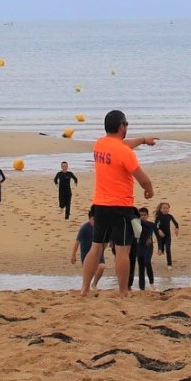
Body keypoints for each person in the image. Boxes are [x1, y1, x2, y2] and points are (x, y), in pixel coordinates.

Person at [80, 109, 156, 297]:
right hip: (121, 207)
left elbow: (122, 146)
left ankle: (84, 289)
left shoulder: (99, 144)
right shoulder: (124, 152)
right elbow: (142, 178)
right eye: (126, 125)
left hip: (100, 205)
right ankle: (123, 292)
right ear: (122, 127)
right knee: (123, 250)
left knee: (96, 247)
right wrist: (149, 188)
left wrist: (143, 140)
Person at [71, 209, 105, 290]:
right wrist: (73, 255)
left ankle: (94, 284)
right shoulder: (84, 229)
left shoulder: (100, 227)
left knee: (102, 266)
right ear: (89, 219)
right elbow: (77, 242)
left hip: (98, 253)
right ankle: (86, 286)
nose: (96, 221)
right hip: (86, 254)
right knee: (89, 272)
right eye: (94, 219)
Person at [131, 207, 156, 291]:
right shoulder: (136, 225)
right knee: (141, 268)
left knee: (147, 262)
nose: (143, 216)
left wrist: (160, 247)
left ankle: (152, 283)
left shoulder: (151, 224)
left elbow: (158, 236)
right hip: (139, 247)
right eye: (141, 215)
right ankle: (142, 288)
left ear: (147, 215)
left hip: (149, 247)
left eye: (144, 215)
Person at [154, 202, 181, 268]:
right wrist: (159, 230)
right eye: (164, 208)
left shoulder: (170, 216)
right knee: (161, 246)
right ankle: (160, 249)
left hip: (168, 235)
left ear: (169, 209)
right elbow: (155, 226)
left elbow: (176, 223)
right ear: (161, 209)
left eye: (167, 208)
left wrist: (176, 229)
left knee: (168, 249)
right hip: (160, 234)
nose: (165, 209)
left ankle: (169, 264)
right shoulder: (159, 217)